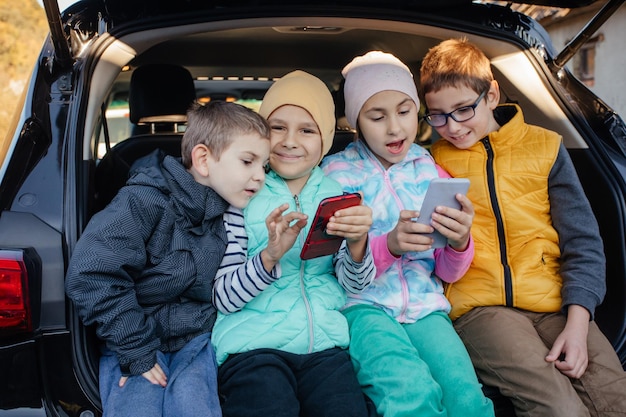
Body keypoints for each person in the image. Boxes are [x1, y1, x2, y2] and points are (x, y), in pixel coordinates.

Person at [420, 37, 626, 417]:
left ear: (492, 94)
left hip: (555, 303)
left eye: (464, 109)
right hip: (480, 308)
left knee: (617, 401)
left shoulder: (546, 147)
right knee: (560, 408)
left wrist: (578, 325)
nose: (451, 126)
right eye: (437, 115)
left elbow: (583, 242)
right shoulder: (430, 162)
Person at [65, 101, 271, 417]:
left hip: (196, 340)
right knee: (137, 406)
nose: (260, 177)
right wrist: (136, 349)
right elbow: (92, 272)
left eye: (265, 166)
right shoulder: (144, 200)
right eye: (248, 162)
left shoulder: (231, 214)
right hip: (132, 336)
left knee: (194, 405)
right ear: (203, 159)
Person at [321, 51, 494, 417]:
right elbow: (339, 273)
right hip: (363, 309)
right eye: (377, 116)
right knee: (411, 395)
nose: (395, 128)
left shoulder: (431, 170)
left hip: (427, 307)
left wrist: (461, 242)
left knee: (468, 400)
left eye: (403, 111)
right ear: (355, 122)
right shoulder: (336, 176)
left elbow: (447, 272)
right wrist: (390, 246)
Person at [211, 70, 377, 417]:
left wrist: (359, 242)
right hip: (252, 346)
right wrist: (269, 256)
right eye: (278, 127)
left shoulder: (339, 198)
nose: (289, 141)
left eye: (307, 130)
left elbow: (354, 284)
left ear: (326, 139)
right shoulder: (240, 196)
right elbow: (224, 298)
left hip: (326, 346)